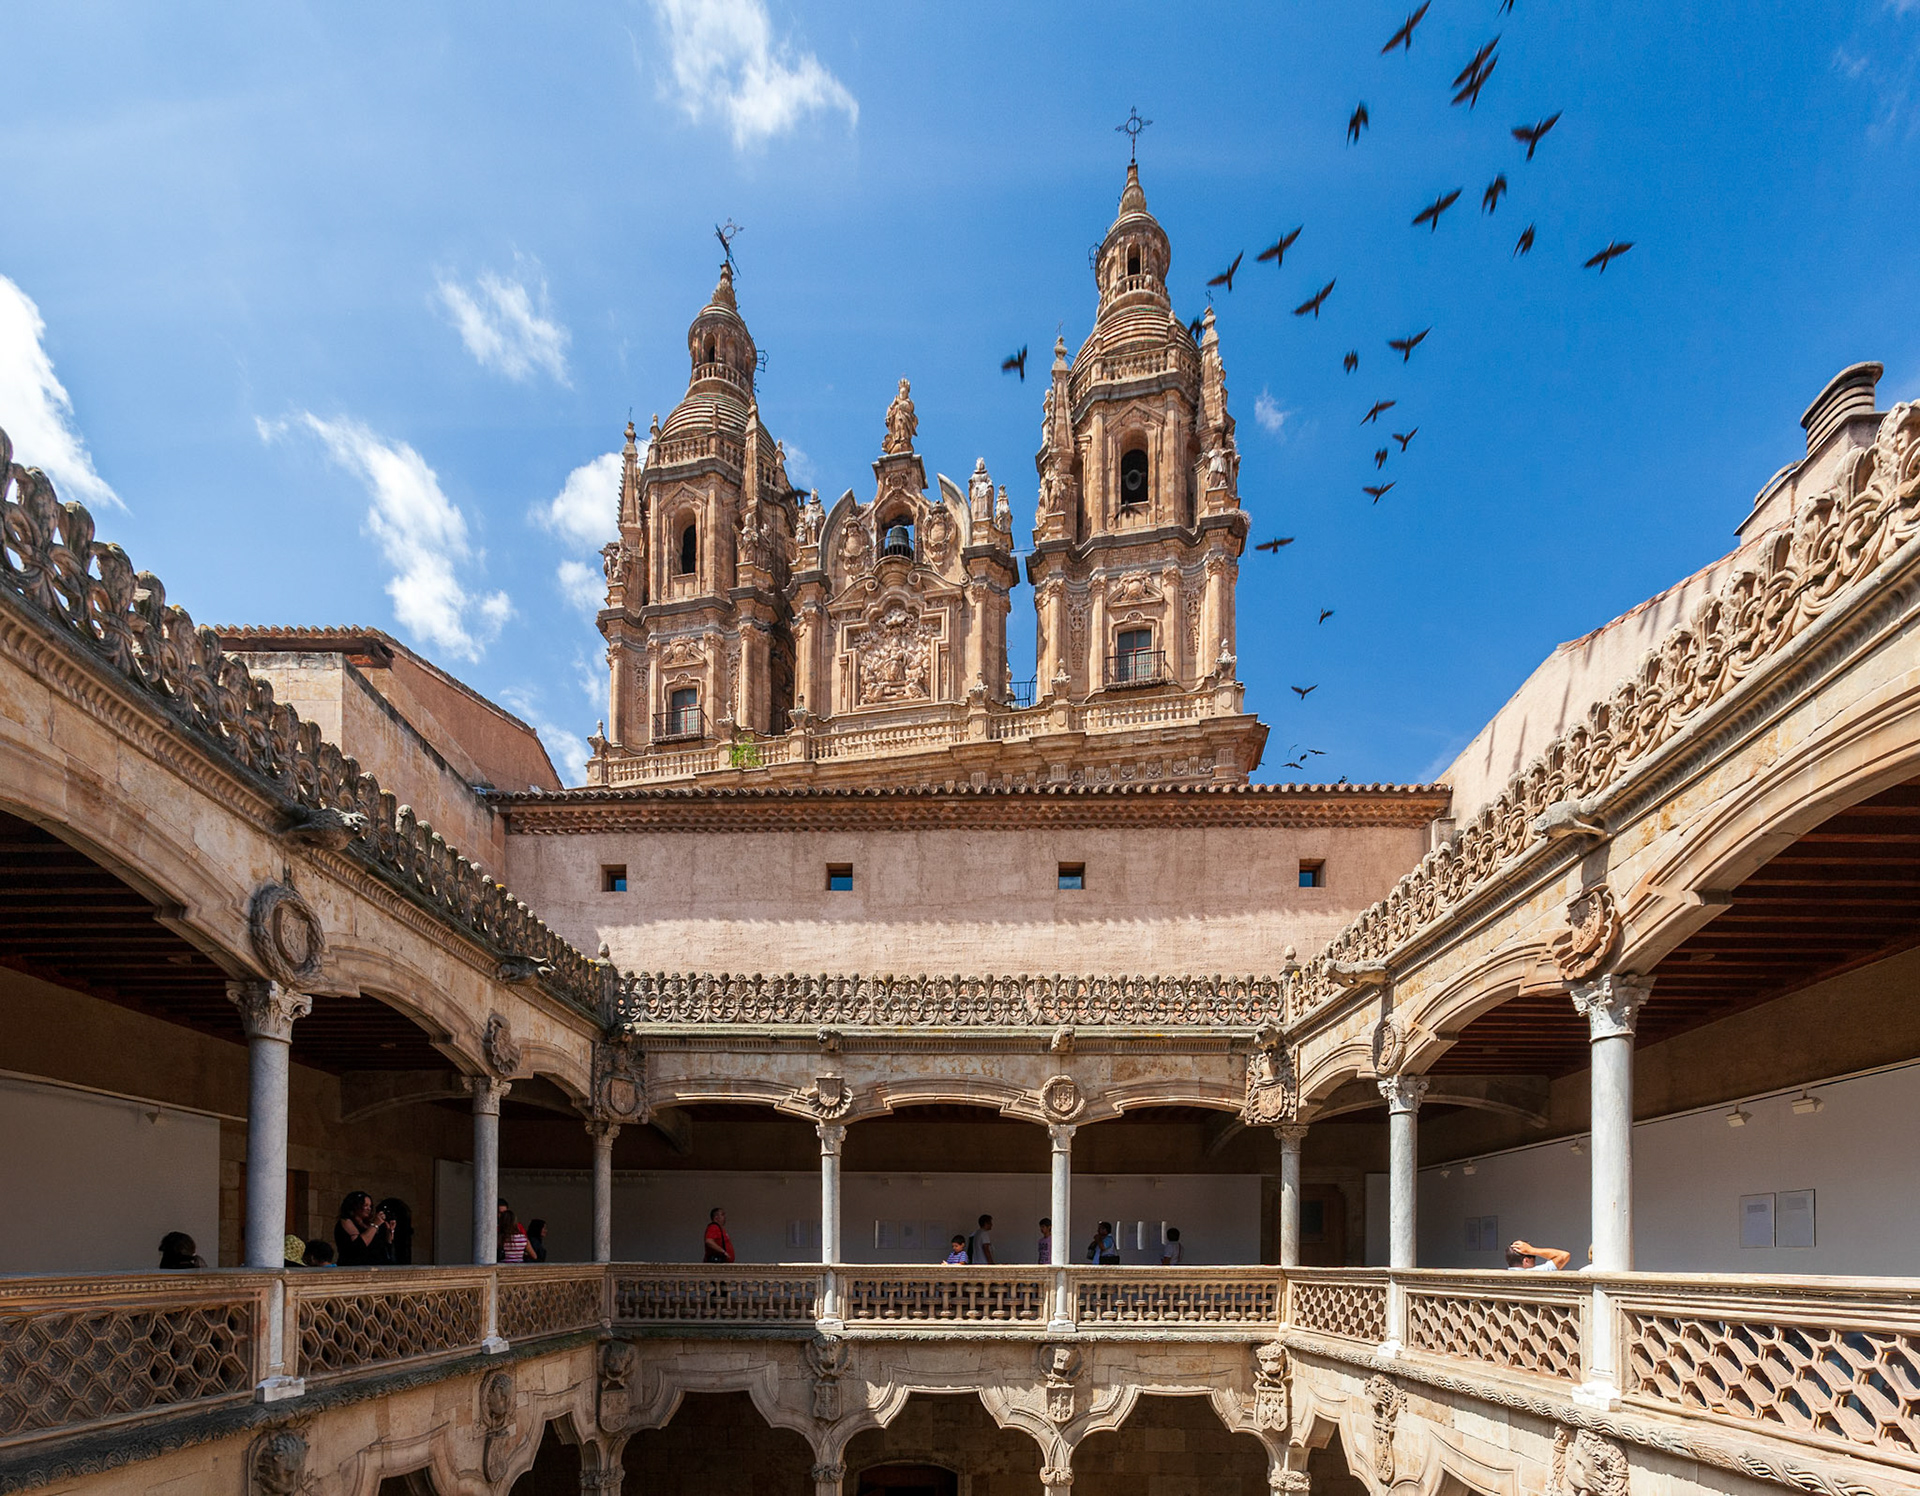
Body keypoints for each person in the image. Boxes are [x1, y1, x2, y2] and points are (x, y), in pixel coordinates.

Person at [335, 1192, 396, 1266]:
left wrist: (389, 1232)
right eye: (365, 1205)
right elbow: (358, 1247)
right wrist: (375, 1225)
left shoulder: (368, 1225)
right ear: (355, 1206)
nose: (369, 1209)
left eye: (370, 1206)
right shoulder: (346, 1221)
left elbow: (382, 1249)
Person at [1506, 1239, 1571, 1271]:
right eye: (1533, 1258)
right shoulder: (1535, 1273)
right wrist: (1531, 1250)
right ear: (1526, 1261)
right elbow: (1563, 1256)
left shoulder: (1502, 1277)